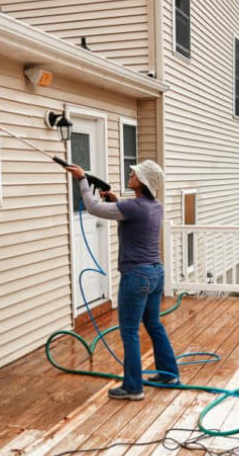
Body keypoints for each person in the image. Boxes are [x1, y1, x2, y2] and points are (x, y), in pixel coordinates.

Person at [64, 160, 181, 400]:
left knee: (129, 331)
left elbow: (93, 208)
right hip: (156, 272)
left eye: (135, 174)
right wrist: (117, 202)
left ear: (144, 182)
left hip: (136, 276)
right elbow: (132, 216)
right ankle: (169, 373)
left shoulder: (134, 207)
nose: (131, 174)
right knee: (153, 323)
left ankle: (133, 387)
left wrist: (82, 180)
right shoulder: (154, 206)